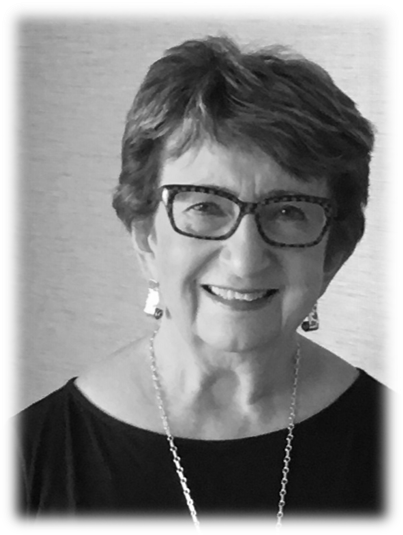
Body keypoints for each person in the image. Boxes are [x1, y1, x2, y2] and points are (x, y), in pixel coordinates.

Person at [5, 36, 398, 531]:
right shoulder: (27, 464)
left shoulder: (394, 445)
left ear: (332, 254)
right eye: (206, 207)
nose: (245, 260)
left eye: (288, 212)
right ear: (146, 236)